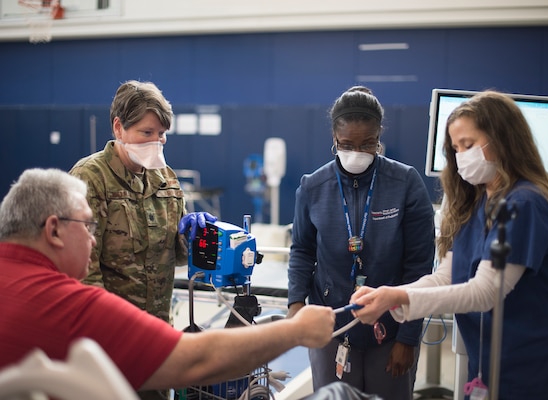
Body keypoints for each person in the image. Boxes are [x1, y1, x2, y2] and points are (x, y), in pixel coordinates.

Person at [0, 168, 335, 396]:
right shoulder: (70, 307)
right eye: (87, 226)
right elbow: (194, 361)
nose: (93, 239)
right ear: (54, 230)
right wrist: (296, 330)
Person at [350, 90, 548, 400]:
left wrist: (396, 295)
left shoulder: (525, 204)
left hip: (530, 365)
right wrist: (390, 297)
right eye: (456, 148)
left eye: (469, 145)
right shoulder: (476, 204)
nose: (461, 155)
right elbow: (447, 276)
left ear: (503, 140)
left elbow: (486, 291)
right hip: (487, 362)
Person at [69, 80, 215, 399]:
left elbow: (175, 255)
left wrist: (194, 238)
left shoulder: (167, 180)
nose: (156, 141)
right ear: (119, 127)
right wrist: (110, 332)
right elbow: (81, 274)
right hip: (107, 340)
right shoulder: (89, 179)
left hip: (157, 335)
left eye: (161, 133)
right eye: (146, 133)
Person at [287, 86, 435, 399]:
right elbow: (301, 251)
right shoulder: (313, 187)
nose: (357, 152)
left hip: (391, 331)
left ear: (380, 136)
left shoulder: (406, 184)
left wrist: (408, 338)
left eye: (368, 144)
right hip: (332, 329)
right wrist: (296, 306)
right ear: (334, 139)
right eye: (346, 144)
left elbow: (419, 266)